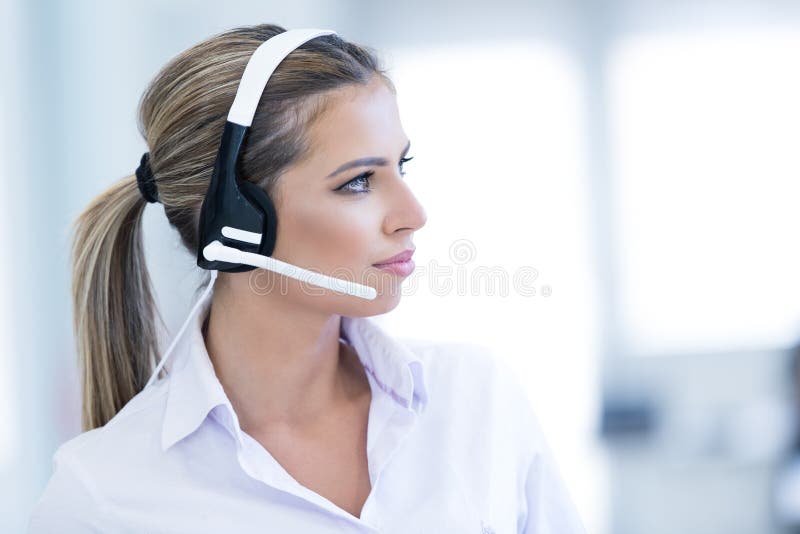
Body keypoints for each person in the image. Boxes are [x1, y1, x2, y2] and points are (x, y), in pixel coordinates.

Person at [27, 23, 586, 533]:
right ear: (238, 219)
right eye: (359, 182)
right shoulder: (102, 496)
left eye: (401, 166)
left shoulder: (475, 400)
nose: (414, 213)